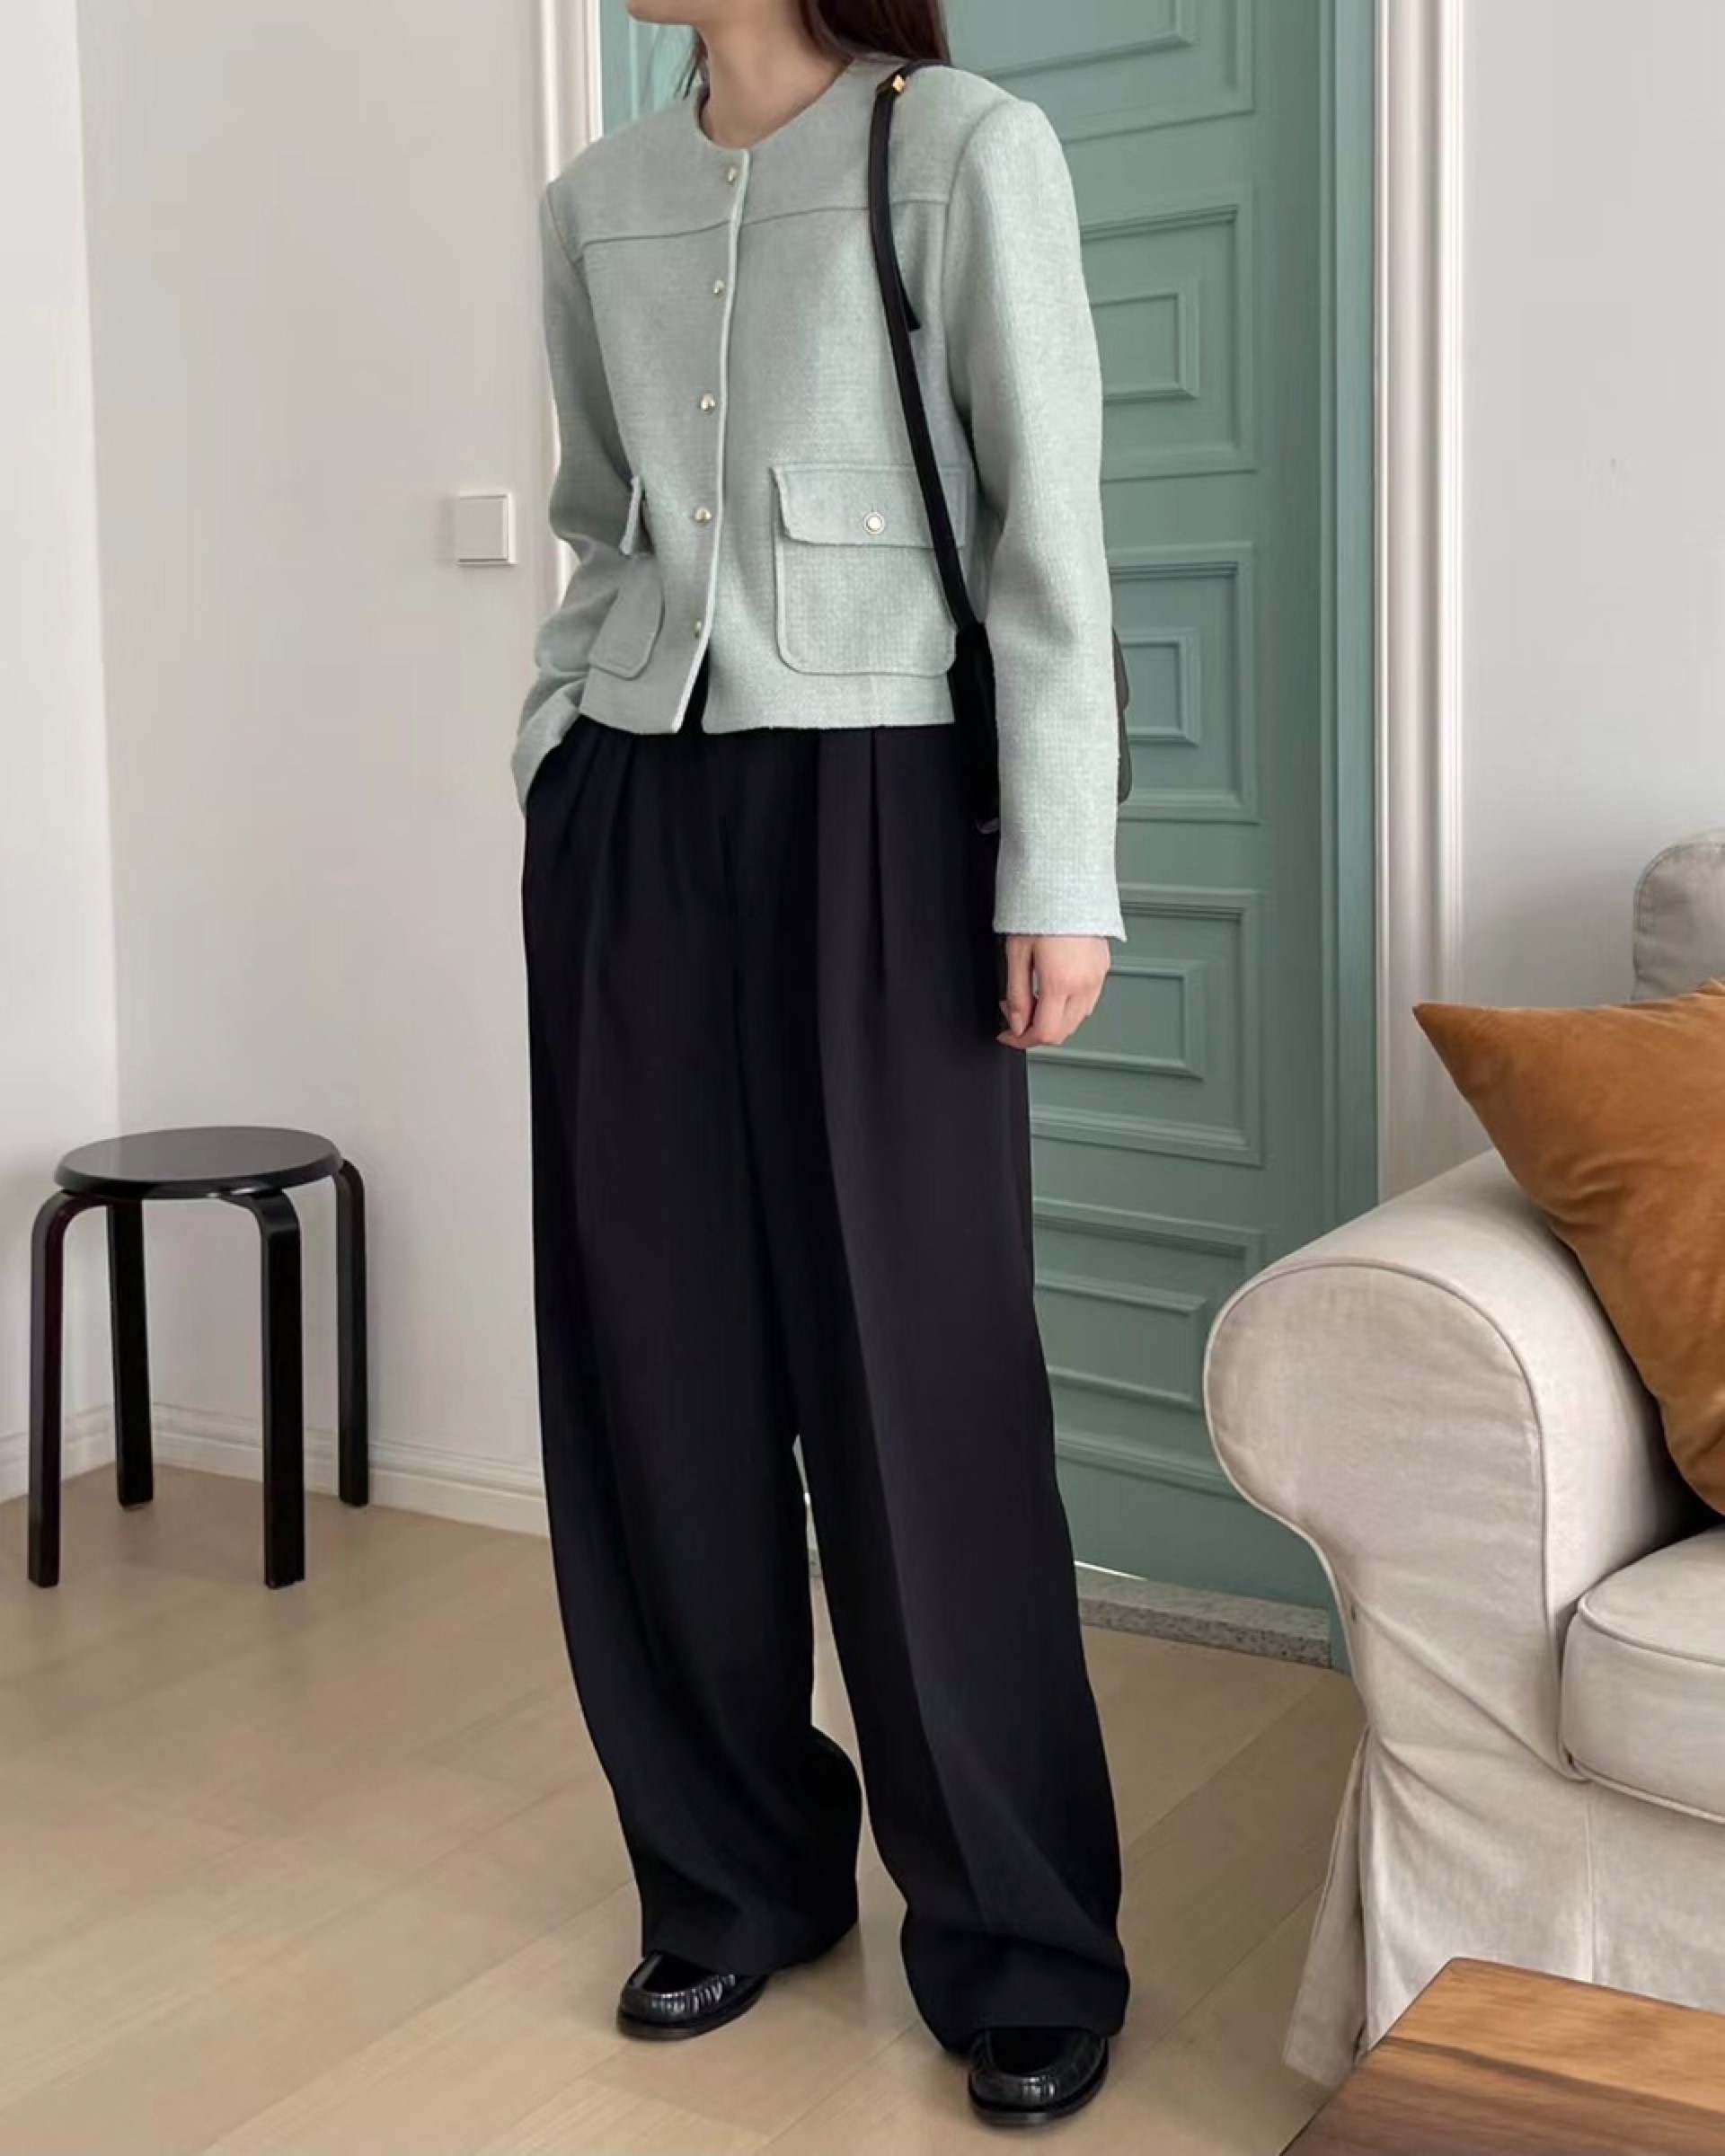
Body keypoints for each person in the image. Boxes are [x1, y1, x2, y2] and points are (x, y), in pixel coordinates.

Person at [515, 0, 1128, 2128]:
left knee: (918, 1379)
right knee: (654, 1366)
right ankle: (729, 1874)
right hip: (636, 805)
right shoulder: (594, 197)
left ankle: (1022, 1938)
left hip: (881, 800)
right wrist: (556, 750)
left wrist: (1060, 868)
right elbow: (600, 522)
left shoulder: (961, 145)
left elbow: (1048, 528)